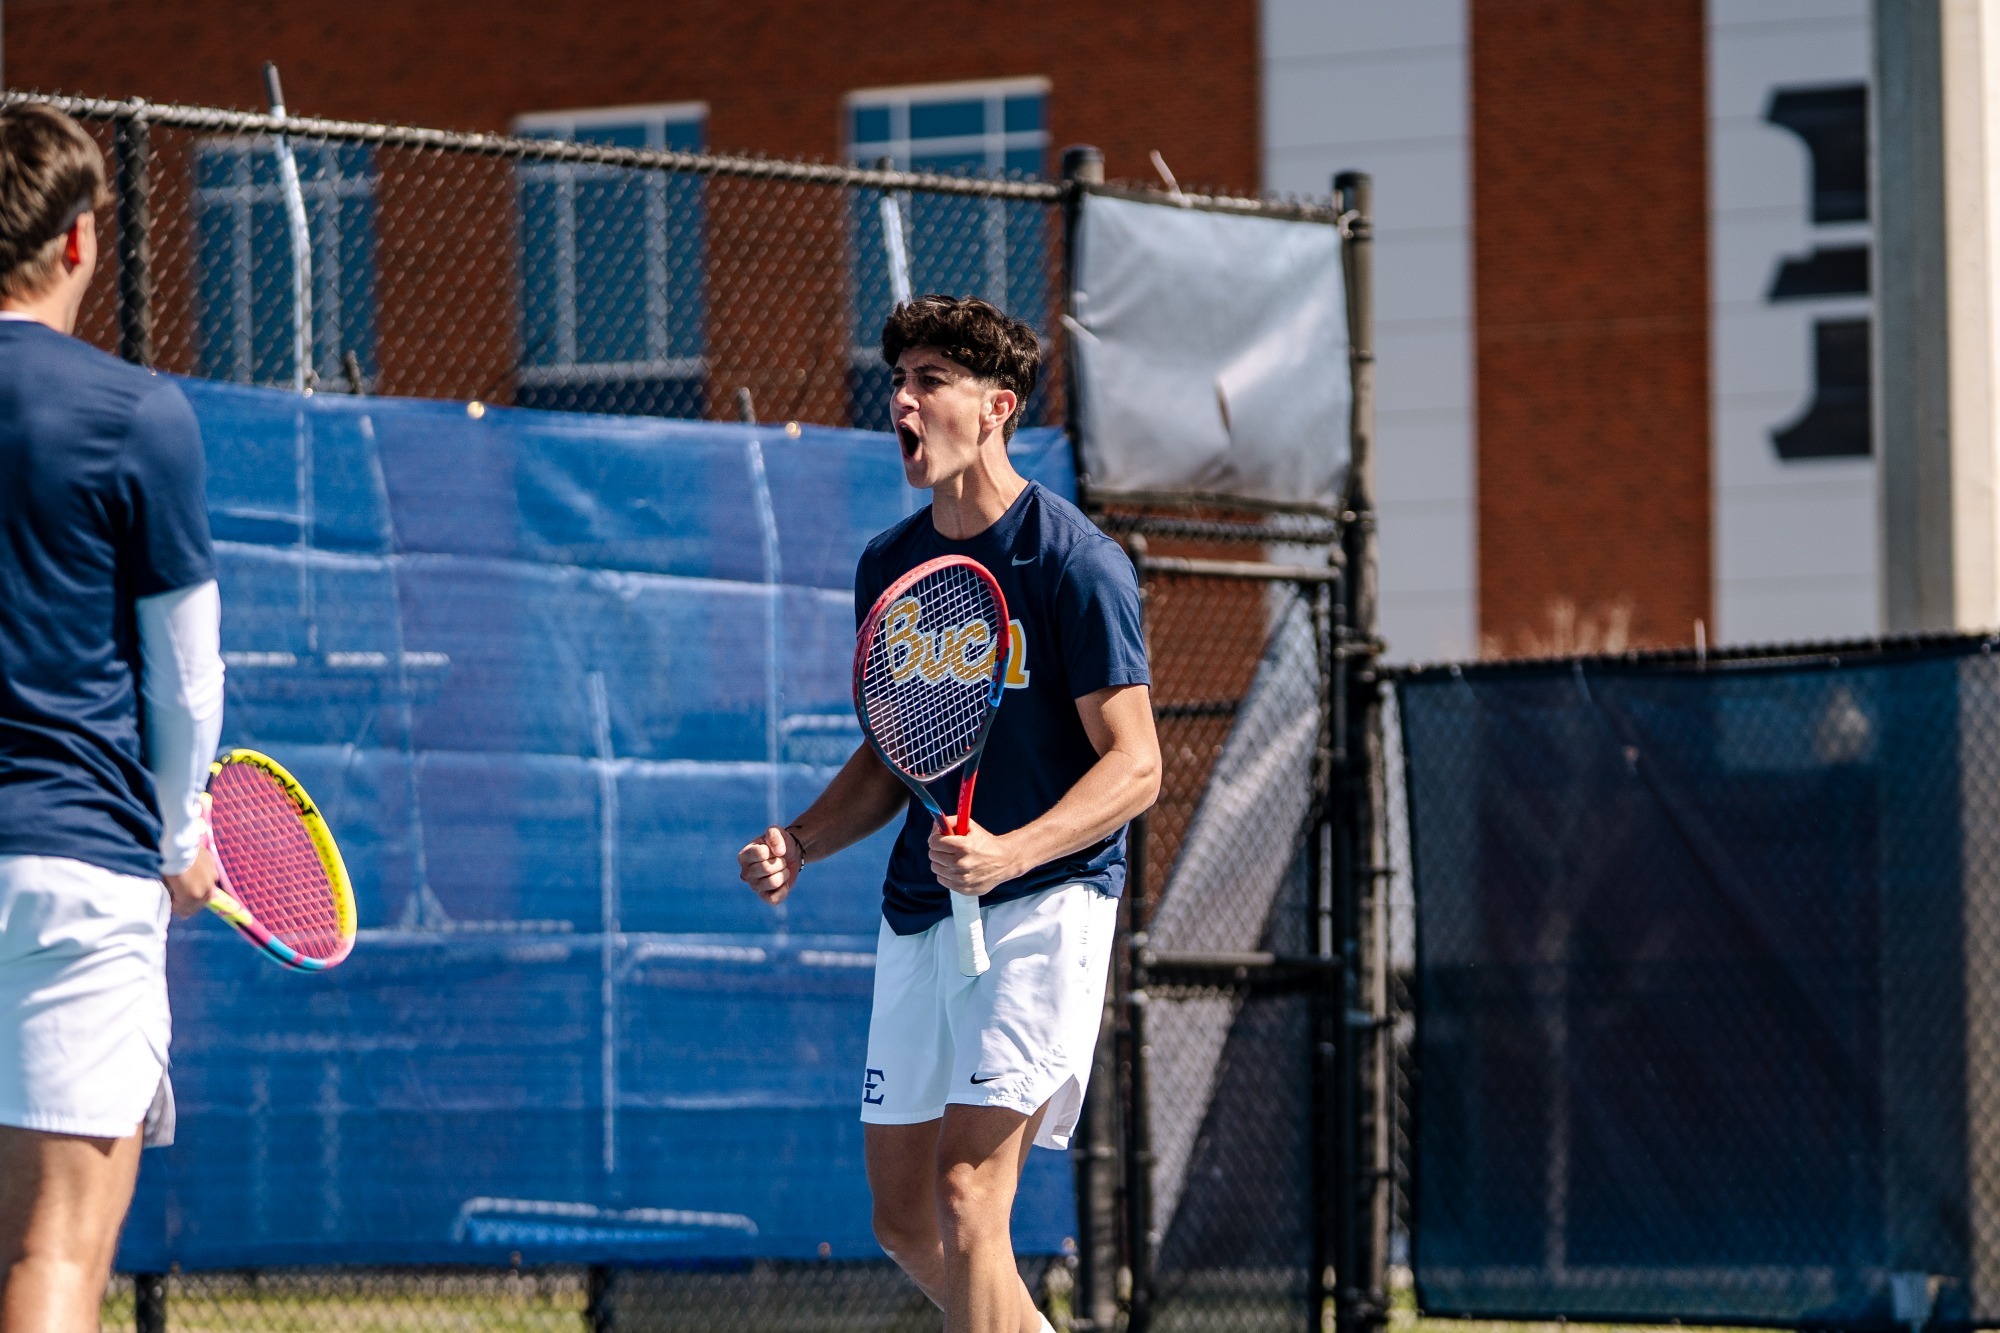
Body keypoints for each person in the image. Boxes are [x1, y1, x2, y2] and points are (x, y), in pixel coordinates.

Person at [738, 295, 1159, 1333]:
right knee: (904, 1217)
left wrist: (1012, 849)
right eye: (898, 381)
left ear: (995, 407)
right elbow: (895, 751)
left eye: (929, 381)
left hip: (1045, 903)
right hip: (923, 911)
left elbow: (1136, 765)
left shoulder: (1075, 564)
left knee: (970, 1190)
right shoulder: (890, 566)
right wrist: (801, 839)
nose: (902, 403)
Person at [0, 102, 225, 1331]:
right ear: (81, 241)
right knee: (53, 1256)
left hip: (64, 860)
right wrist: (180, 835)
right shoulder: (138, 412)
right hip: (72, 872)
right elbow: (185, 674)